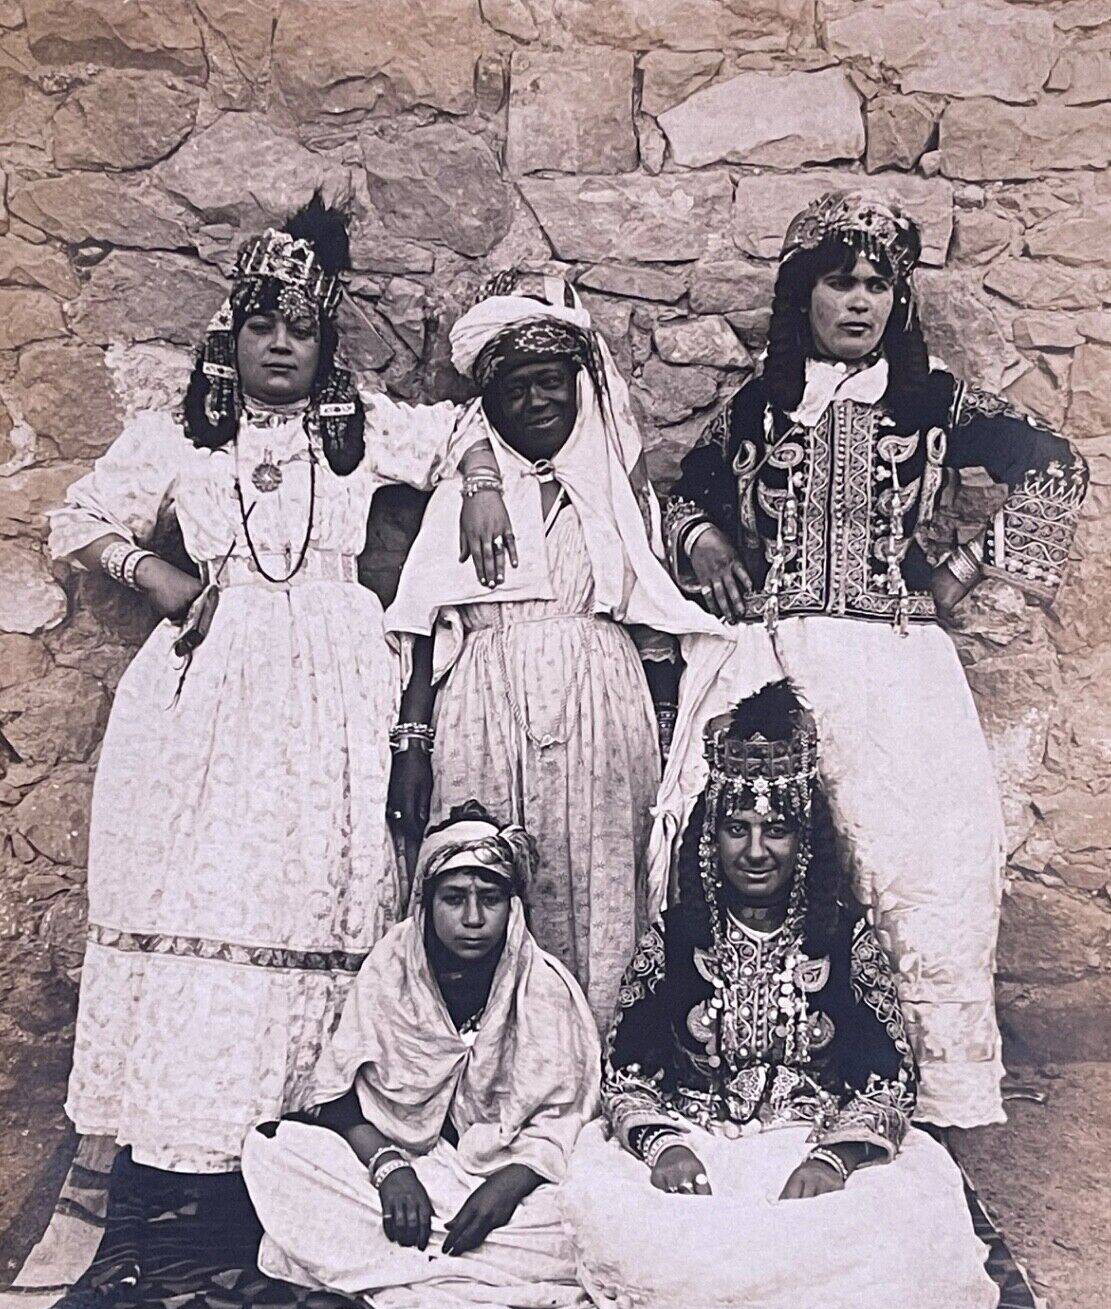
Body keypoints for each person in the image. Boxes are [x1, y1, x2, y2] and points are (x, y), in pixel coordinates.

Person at [47, 197, 510, 1178]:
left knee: (316, 894)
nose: (281, 345)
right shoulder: (182, 438)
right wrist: (159, 576)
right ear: (233, 331)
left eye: (301, 327)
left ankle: (303, 1140)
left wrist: (478, 486)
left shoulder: (361, 429)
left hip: (335, 687)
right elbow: (75, 517)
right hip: (208, 689)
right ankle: (187, 1144)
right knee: (210, 887)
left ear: (324, 340)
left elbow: (467, 424)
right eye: (263, 323)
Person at [652, 192, 1088, 1130]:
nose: (858, 303)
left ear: (898, 299)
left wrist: (967, 565)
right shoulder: (761, 408)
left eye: (877, 285)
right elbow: (682, 490)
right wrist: (704, 546)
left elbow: (1056, 464)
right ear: (799, 292)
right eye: (837, 282)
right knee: (780, 858)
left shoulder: (929, 397)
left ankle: (922, 1101)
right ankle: (784, 1086)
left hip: (900, 674)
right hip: (784, 662)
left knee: (921, 867)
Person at [562, 683, 1000, 1309]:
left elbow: (886, 1082)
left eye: (775, 828)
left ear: (804, 838)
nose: (755, 849)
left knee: (909, 1215)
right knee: (619, 1216)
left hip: (811, 1148)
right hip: (695, 1147)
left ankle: (742, 1290)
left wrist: (834, 1157)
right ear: (711, 837)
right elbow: (626, 1074)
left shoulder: (842, 939)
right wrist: (664, 1148)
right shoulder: (675, 937)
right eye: (736, 828)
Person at [385, 272, 725, 1029]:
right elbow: (425, 626)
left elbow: (652, 621)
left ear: (578, 388)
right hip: (484, 696)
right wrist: (411, 742)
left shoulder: (611, 492)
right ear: (492, 405)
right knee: (486, 882)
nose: (536, 403)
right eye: (515, 391)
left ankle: (600, 1054)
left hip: (599, 702)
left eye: (551, 384)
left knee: (599, 872)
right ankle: (482, 1059)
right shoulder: (466, 493)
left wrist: (666, 736)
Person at [241, 805, 600, 1309]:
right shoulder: (392, 967)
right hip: (403, 1162)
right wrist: (388, 1169)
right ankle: (467, 1265)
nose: (473, 919)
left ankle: (409, 1260)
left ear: (513, 907)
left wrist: (509, 1184)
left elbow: (570, 1117)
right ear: (427, 904)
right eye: (454, 899)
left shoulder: (542, 984)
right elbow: (337, 1098)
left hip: (508, 1178)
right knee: (277, 1150)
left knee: (585, 1207)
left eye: (491, 899)